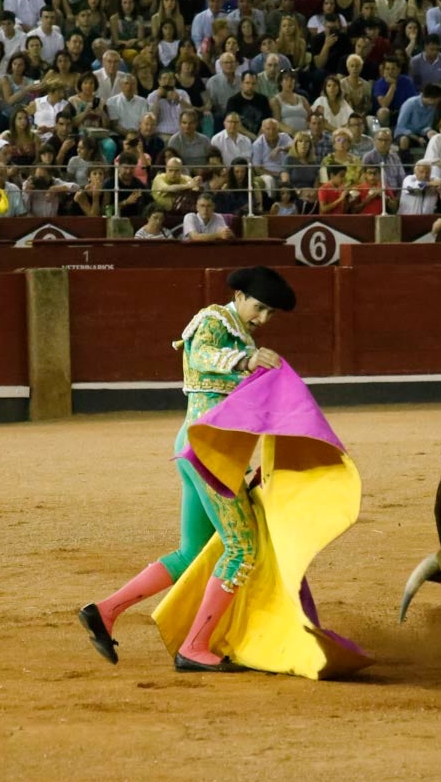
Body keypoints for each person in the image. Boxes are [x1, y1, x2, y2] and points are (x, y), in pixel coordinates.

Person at [79, 266, 296, 672]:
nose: (263, 319)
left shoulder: (244, 338)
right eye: (259, 307)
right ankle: (194, 647)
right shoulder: (213, 320)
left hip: (205, 450)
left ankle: (104, 612)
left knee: (192, 552)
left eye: (271, 315)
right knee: (243, 548)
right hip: (206, 453)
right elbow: (201, 356)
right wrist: (246, 359)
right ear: (240, 295)